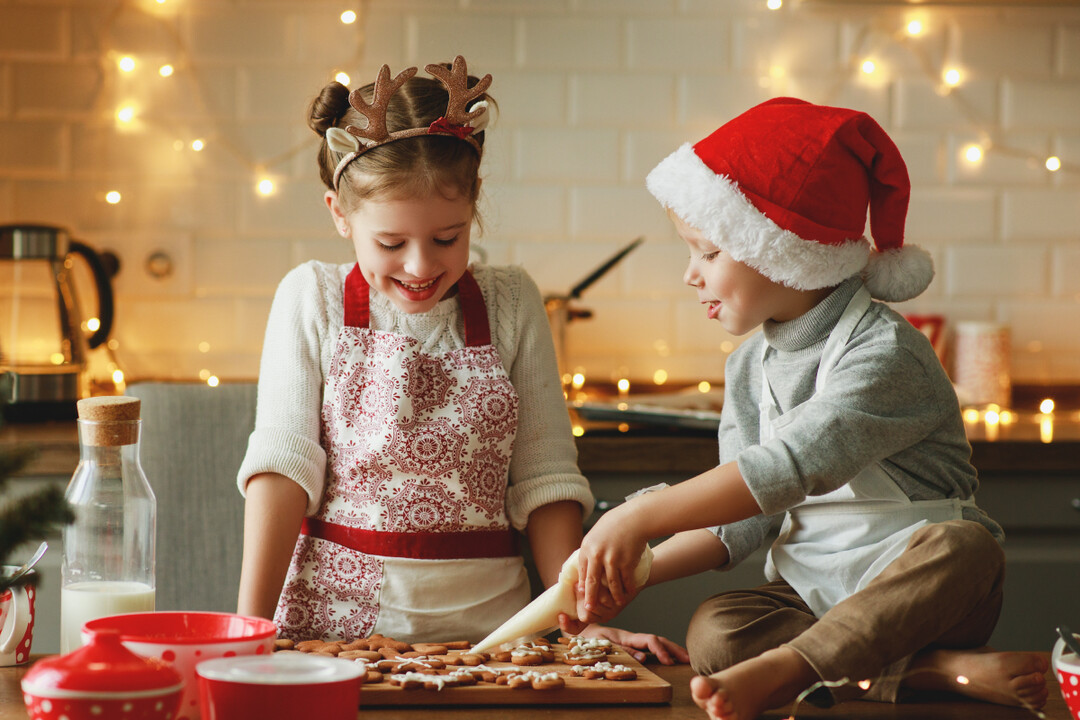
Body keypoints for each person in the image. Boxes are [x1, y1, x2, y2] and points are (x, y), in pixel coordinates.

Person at [572, 97, 1050, 718]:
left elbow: (792, 466)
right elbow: (741, 521)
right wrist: (635, 571)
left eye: (709, 253)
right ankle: (932, 671)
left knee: (967, 550)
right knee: (717, 632)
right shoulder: (749, 366)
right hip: (816, 598)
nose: (691, 275)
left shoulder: (885, 352)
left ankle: (790, 669)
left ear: (784, 252)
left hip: (924, 592)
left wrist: (635, 517)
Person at [234, 55, 684, 662]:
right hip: (333, 635)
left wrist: (578, 625)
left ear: (473, 206)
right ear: (340, 214)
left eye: (448, 237)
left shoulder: (511, 300)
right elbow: (284, 469)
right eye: (391, 242)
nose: (421, 266)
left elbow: (545, 477)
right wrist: (248, 631)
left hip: (494, 635)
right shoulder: (312, 297)